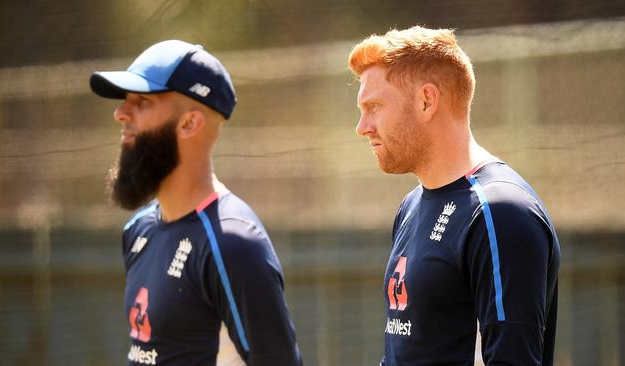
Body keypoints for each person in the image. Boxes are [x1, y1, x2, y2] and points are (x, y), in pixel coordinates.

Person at [348, 27, 561, 365]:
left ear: (426, 101)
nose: (362, 126)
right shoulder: (411, 206)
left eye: (374, 106)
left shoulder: (500, 213)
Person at [89, 40, 302, 366]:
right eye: (125, 101)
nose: (120, 113)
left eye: (142, 101)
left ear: (189, 123)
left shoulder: (232, 243)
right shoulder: (139, 229)